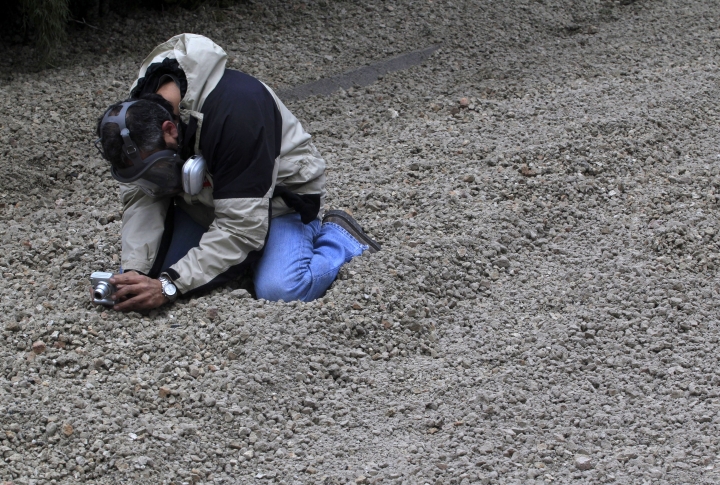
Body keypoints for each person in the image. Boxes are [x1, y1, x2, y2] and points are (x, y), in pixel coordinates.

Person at [94, 34, 380, 312]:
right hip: (206, 202)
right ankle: (250, 259)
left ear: (170, 130)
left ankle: (340, 238)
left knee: (281, 290)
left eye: (156, 171)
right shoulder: (138, 114)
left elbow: (241, 228)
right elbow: (142, 197)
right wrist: (135, 270)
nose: (157, 181)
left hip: (279, 202)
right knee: (147, 277)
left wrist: (169, 285)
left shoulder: (237, 111)